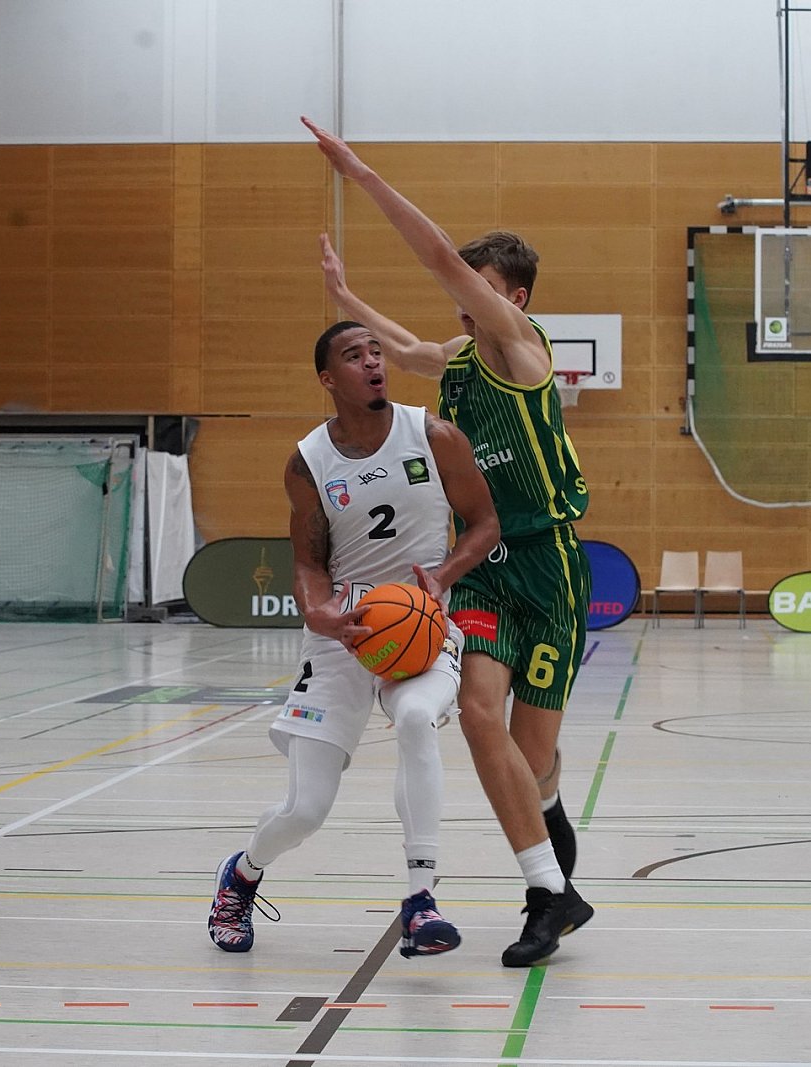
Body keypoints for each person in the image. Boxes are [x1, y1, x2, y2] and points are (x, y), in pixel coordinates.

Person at [304, 118, 594, 967]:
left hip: (549, 565)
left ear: (516, 299)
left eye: (480, 283)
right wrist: (346, 297)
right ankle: (547, 896)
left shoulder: (521, 348)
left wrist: (360, 172)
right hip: (485, 568)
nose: (461, 292)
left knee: (532, 762)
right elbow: (405, 347)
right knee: (474, 714)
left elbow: (434, 255)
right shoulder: (463, 354)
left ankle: (556, 866)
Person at [209, 321, 500, 959]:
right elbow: (308, 561)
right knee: (305, 810)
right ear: (327, 378)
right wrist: (319, 614)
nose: (372, 362)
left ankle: (421, 900)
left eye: (376, 352)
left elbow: (484, 523)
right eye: (353, 355)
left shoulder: (434, 436)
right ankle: (243, 874)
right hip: (347, 630)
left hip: (419, 621)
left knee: (417, 717)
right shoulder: (309, 461)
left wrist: (443, 576)